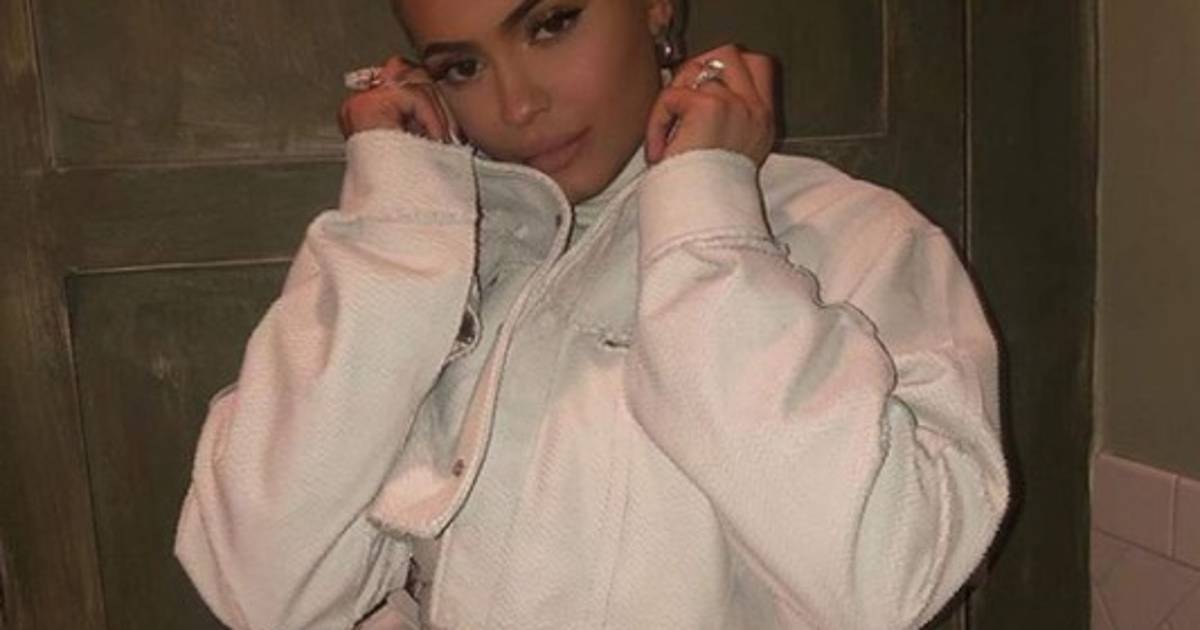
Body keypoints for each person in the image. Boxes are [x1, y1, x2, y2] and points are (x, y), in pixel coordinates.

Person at [174, 0, 1010, 628]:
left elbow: (890, 579)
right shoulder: (433, 255)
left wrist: (706, 226)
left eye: (551, 24)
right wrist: (395, 219)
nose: (517, 104)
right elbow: (260, 589)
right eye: (462, 67)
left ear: (655, 7)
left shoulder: (847, 240)